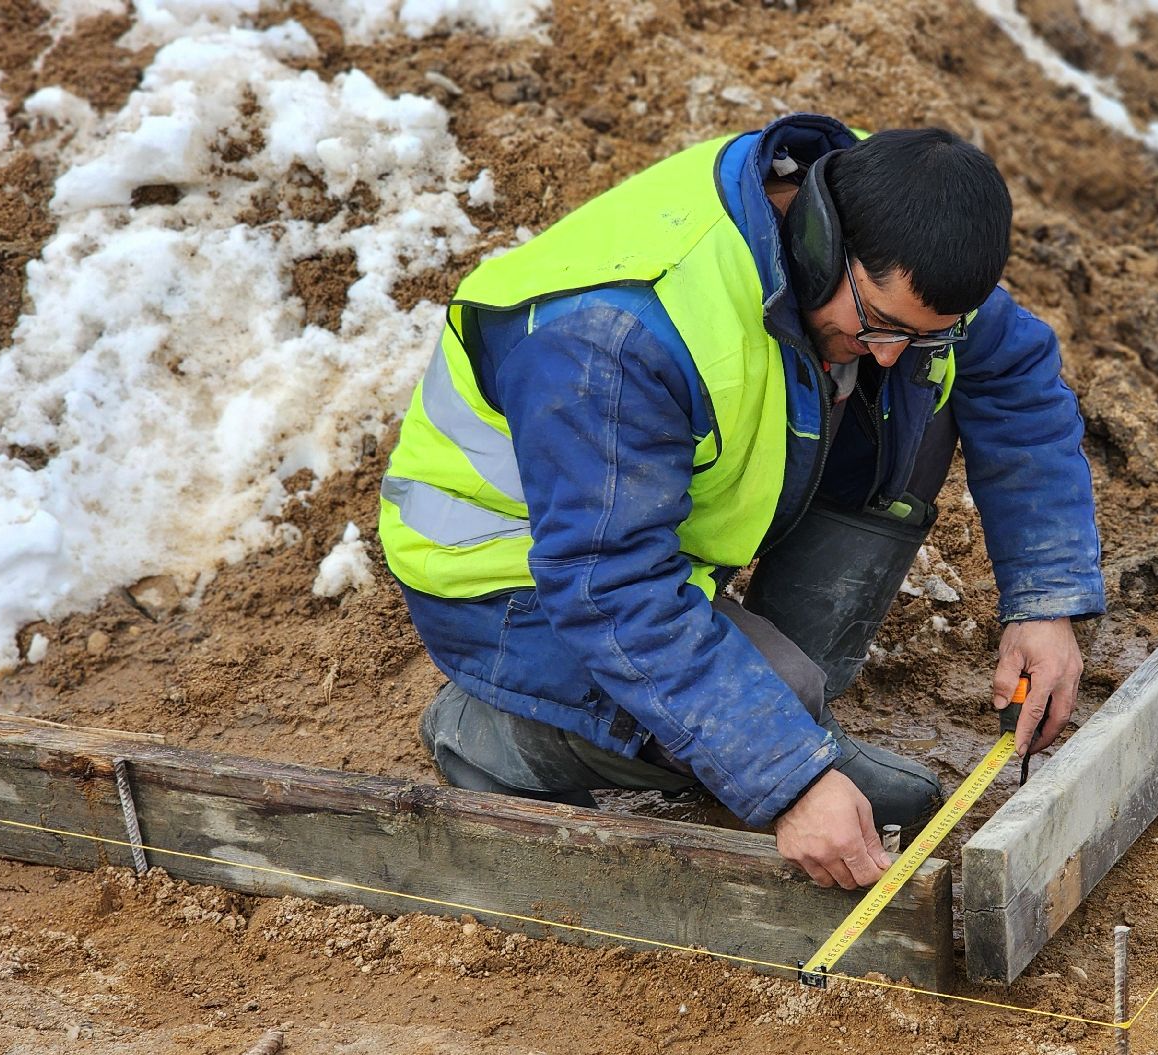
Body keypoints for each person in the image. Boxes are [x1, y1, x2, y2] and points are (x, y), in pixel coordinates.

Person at [379, 113, 1103, 891]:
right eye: (882, 325)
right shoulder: (617, 335)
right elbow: (611, 591)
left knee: (928, 386)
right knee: (755, 715)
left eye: (918, 330)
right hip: (510, 587)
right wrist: (788, 778)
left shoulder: (885, 217)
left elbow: (1015, 374)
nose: (890, 350)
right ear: (825, 241)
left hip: (640, 526)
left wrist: (1043, 604)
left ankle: (780, 702)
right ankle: (495, 733)